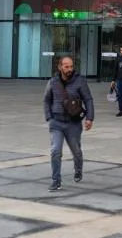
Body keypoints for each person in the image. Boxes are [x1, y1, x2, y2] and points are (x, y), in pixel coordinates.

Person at [43, 56, 94, 192]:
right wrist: (49, 118)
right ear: (60, 67)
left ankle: (78, 169)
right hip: (56, 123)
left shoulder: (80, 81)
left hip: (74, 124)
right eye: (66, 67)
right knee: (55, 151)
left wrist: (89, 118)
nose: (69, 69)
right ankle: (56, 181)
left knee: (76, 151)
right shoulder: (53, 82)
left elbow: (88, 99)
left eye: (71, 66)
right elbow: (46, 100)